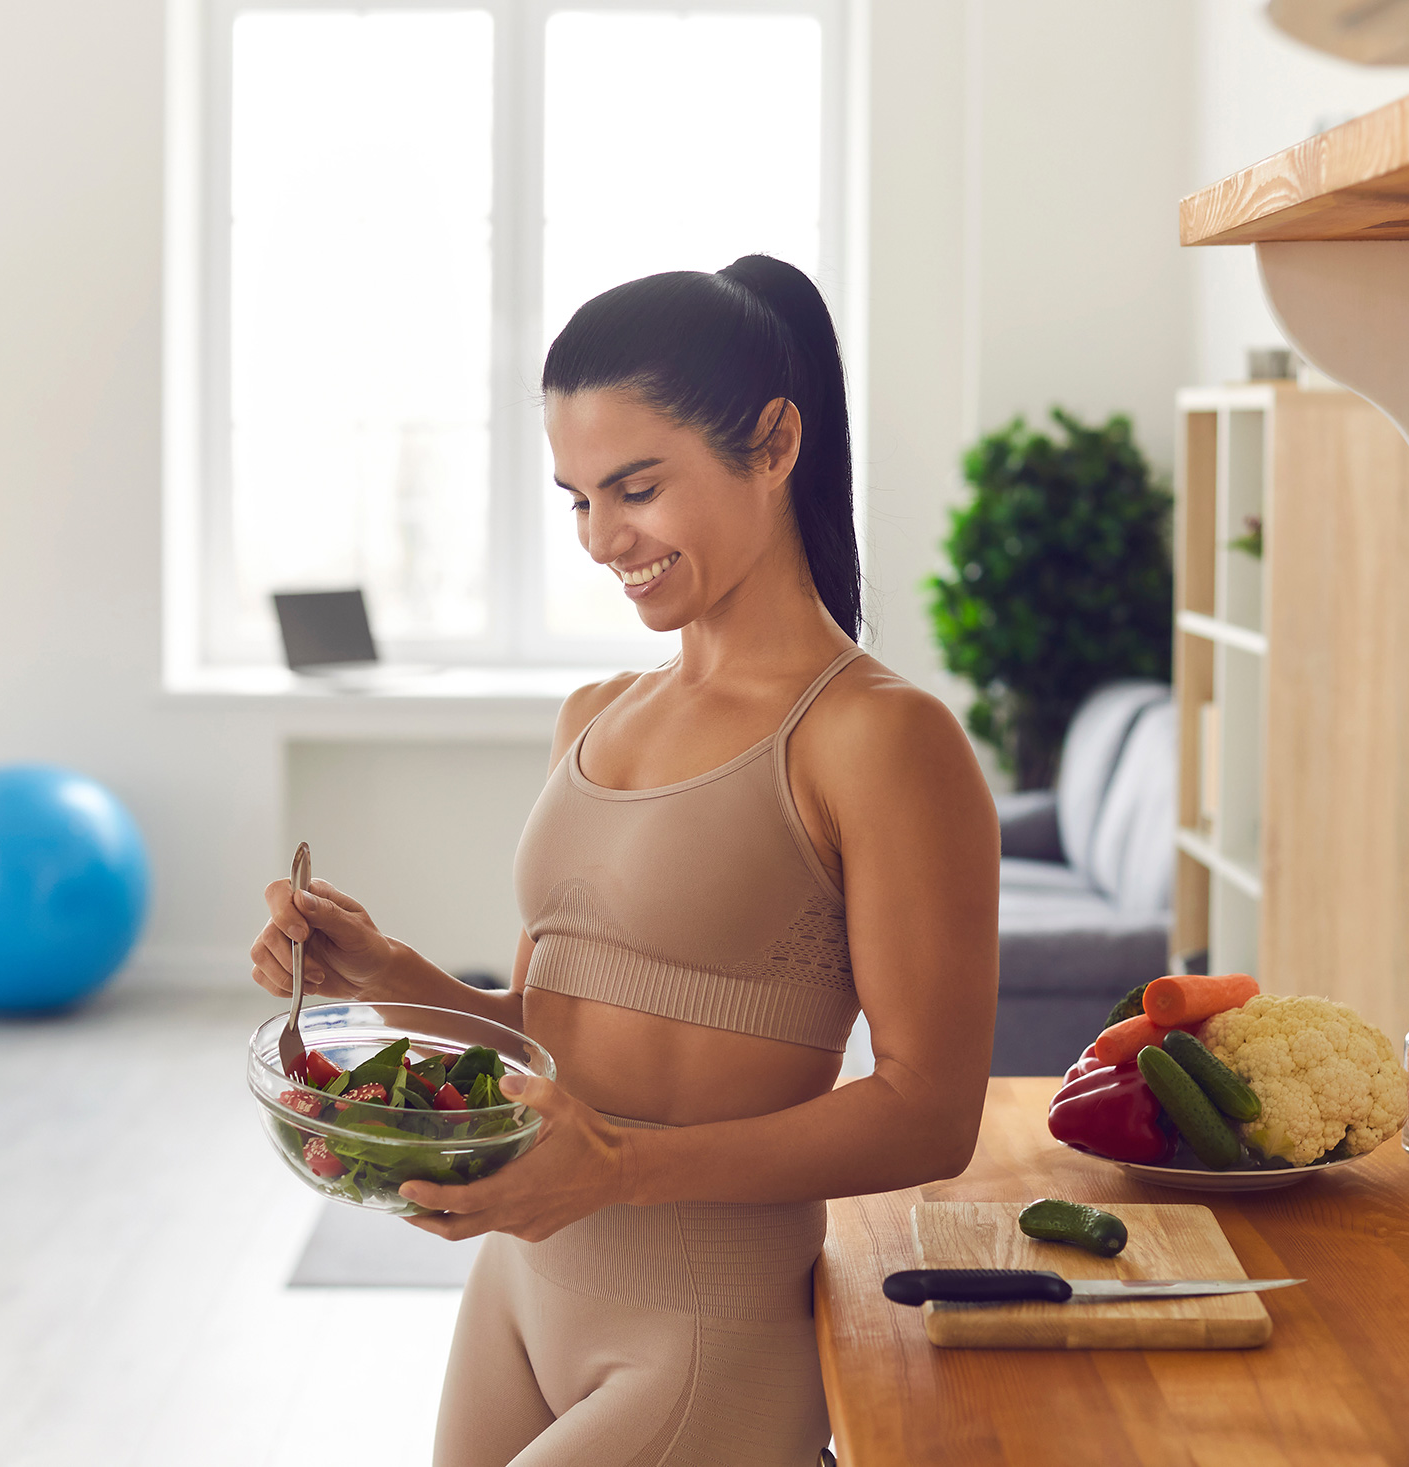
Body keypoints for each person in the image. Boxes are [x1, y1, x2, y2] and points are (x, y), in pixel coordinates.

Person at [249, 255, 999, 1466]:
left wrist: (620, 1173)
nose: (604, 537)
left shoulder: (877, 738)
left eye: (637, 488)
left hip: (703, 1335)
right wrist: (382, 972)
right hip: (516, 1293)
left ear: (772, 442)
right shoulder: (595, 713)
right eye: (578, 498)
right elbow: (557, 1046)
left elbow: (930, 1115)